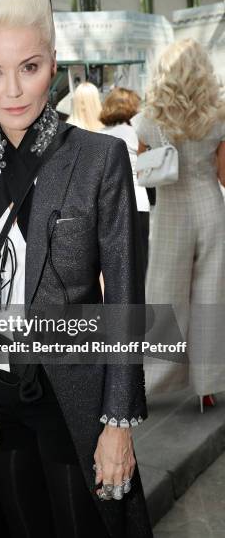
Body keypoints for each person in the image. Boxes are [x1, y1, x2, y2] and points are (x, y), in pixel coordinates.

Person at [0, 0, 152, 538]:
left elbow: (124, 299)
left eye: (28, 66)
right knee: (8, 522)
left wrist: (118, 423)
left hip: (69, 391)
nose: (14, 90)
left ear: (53, 60)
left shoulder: (100, 161)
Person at [132, 39, 225, 412]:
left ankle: (152, 382)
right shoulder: (218, 116)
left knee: (165, 298)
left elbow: (143, 171)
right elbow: (223, 175)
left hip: (170, 213)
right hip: (210, 210)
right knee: (211, 299)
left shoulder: (148, 118)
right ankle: (208, 385)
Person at [99, 87, 150, 270]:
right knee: (142, 264)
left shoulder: (99, 135)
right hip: (140, 201)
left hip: (110, 206)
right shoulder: (139, 132)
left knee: (117, 266)